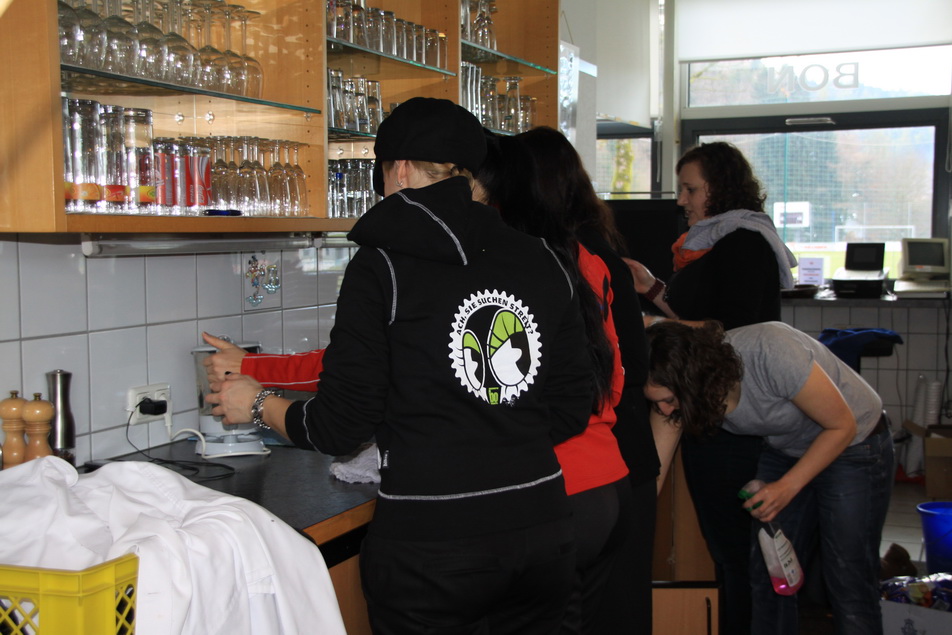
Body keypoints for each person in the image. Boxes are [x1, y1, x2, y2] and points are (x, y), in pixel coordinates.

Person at [206, 97, 596, 634]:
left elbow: (340, 425)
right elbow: (574, 404)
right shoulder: (544, 258)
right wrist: (494, 435)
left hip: (431, 547)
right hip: (541, 534)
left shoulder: (382, 264)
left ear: (402, 169)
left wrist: (256, 403)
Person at [625, 141, 797, 634]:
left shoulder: (744, 242)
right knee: (730, 550)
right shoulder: (713, 241)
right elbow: (704, 313)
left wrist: (652, 323)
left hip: (732, 413)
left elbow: (731, 330)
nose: (682, 200)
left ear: (720, 187)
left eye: (690, 189)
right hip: (711, 405)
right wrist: (653, 288)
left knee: (738, 552)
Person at [476, 128, 641, 633]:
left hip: (554, 492)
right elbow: (615, 380)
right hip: (609, 483)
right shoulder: (583, 259)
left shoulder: (506, 268)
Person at [644, 320, 893, 635]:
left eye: (669, 400)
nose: (665, 410)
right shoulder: (673, 395)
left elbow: (842, 426)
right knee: (770, 575)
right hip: (788, 448)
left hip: (855, 443)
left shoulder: (770, 351)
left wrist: (786, 487)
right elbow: (653, 473)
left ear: (693, 382)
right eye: (656, 402)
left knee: (848, 577)